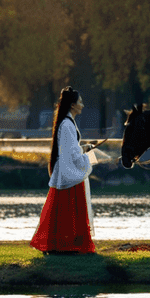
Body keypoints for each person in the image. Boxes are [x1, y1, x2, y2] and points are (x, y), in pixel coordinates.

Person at [30, 87, 97, 254]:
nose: (82, 105)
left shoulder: (68, 122)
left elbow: (71, 150)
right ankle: (66, 245)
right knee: (68, 212)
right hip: (69, 173)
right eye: (80, 102)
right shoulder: (67, 124)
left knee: (62, 212)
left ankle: (63, 245)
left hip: (66, 171)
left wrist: (84, 149)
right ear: (73, 105)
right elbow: (72, 154)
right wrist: (88, 155)